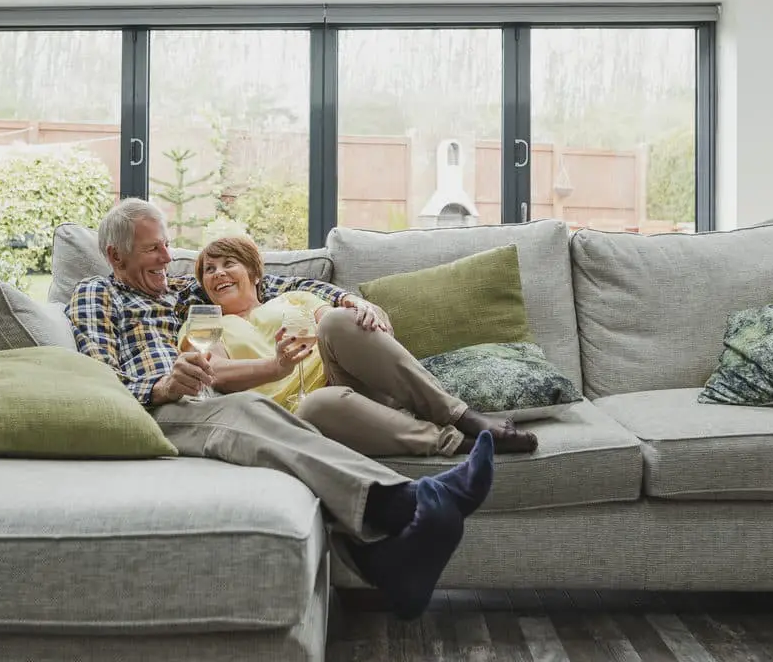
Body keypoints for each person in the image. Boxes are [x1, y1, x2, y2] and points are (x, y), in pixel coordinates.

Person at [66, 198, 495, 620]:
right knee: (249, 410)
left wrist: (346, 301)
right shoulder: (97, 293)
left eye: (165, 244)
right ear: (114, 255)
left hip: (209, 398)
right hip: (158, 410)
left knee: (256, 409)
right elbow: (100, 377)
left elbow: (268, 287)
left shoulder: (180, 289)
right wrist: (161, 386)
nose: (167, 256)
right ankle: (411, 502)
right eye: (152, 249)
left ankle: (386, 555)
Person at [188, 235, 540, 457]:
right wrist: (275, 366)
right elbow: (213, 372)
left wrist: (364, 310)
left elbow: (343, 325)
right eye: (208, 270)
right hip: (305, 416)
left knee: (338, 320)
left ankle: (465, 417)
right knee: (318, 404)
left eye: (228, 263)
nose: (217, 273)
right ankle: (454, 442)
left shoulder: (295, 298)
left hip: (352, 381)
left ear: (254, 273)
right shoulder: (205, 323)